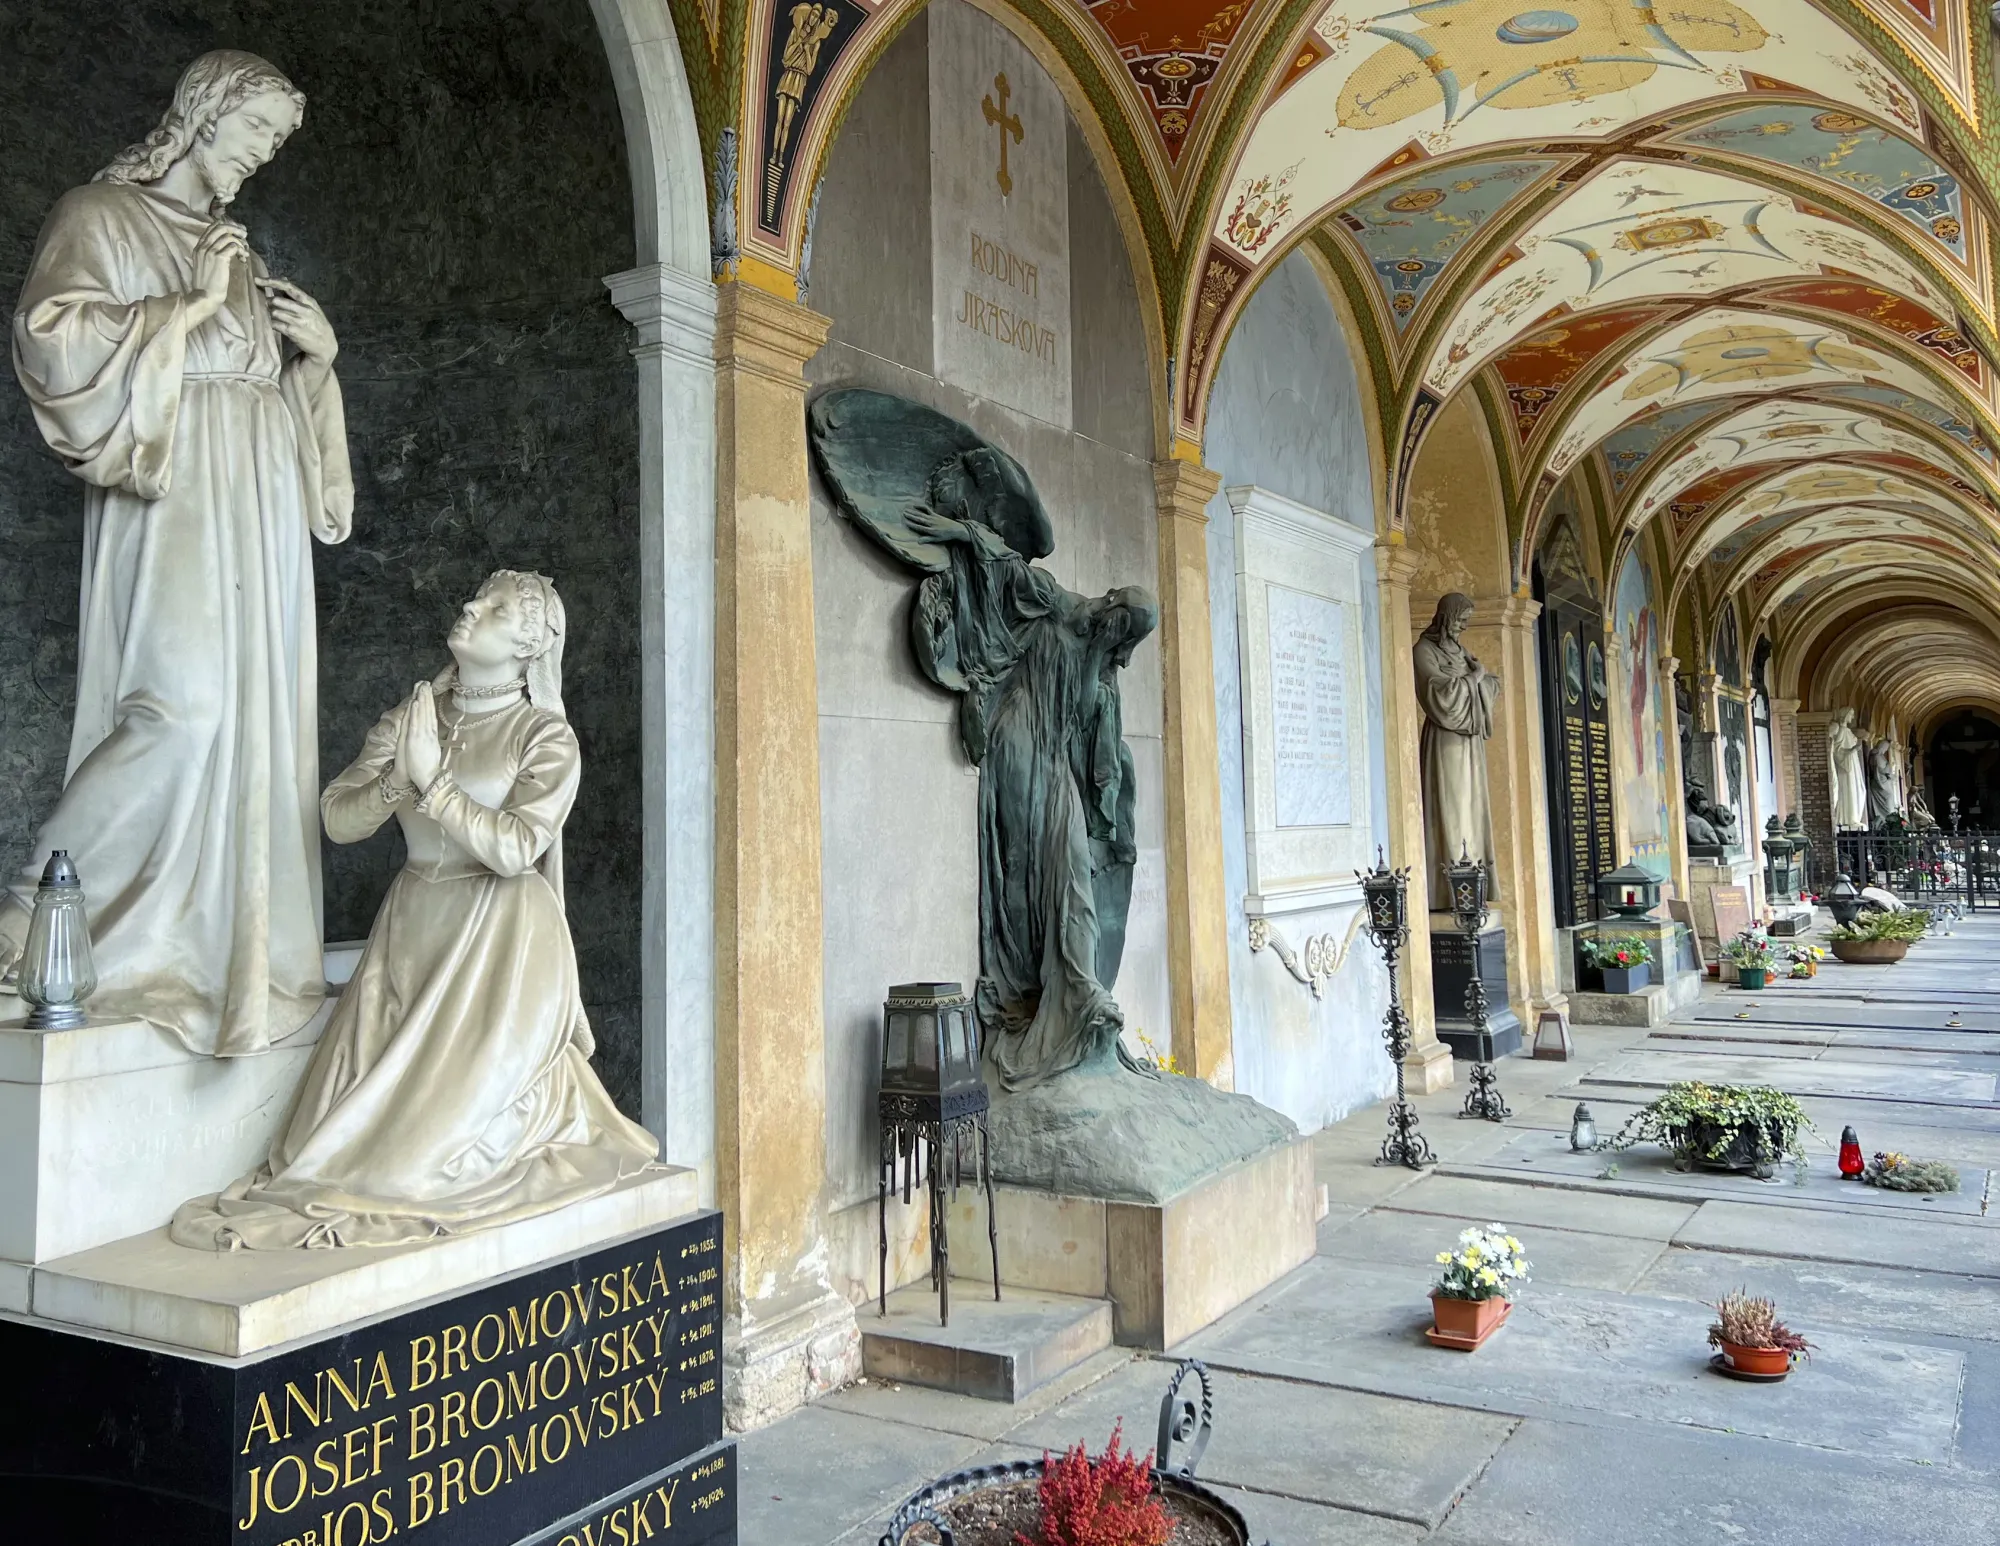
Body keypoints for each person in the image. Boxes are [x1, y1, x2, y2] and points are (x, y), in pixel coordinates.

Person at [2, 51, 351, 1056]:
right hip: (176, 481)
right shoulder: (100, 215)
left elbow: (258, 393)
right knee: (181, 709)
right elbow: (50, 334)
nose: (263, 154)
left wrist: (316, 366)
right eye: (256, 131)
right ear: (202, 115)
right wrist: (186, 310)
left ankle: (219, 950)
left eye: (277, 142)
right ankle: (37, 906)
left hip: (258, 495)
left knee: (254, 726)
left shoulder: (236, 247)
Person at [172, 573, 657, 1249]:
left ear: (528, 645)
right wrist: (402, 772)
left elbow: (516, 850)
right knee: (326, 1146)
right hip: (410, 928)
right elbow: (339, 818)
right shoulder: (414, 715)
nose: (468, 607)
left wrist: (435, 782)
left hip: (502, 943)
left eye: (492, 609)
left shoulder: (544, 736)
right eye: (475, 598)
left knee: (413, 1162)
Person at [1414, 594, 1499, 912]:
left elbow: (1488, 683)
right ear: (1446, 617)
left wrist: (1482, 681)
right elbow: (1438, 695)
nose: (1463, 627)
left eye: (1467, 621)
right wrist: (1475, 679)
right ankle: (1449, 890)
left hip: (1470, 742)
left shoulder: (1460, 651)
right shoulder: (1424, 651)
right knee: (1452, 807)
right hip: (1446, 741)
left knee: (1473, 807)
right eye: (1460, 620)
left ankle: (1472, 886)